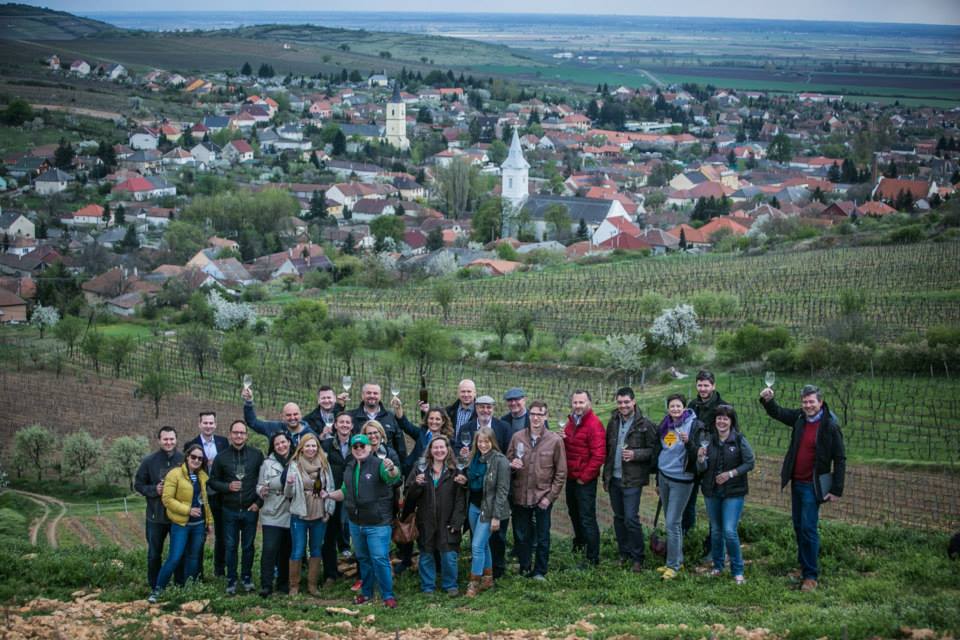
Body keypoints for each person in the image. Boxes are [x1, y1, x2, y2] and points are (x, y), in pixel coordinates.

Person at [760, 384, 845, 592]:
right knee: (799, 526)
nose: (808, 405)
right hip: (797, 482)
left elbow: (840, 458)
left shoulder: (830, 425)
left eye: (811, 402)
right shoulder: (800, 418)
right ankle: (804, 565)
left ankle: (810, 576)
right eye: (805, 402)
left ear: (820, 403)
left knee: (808, 528)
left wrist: (836, 488)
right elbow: (778, 413)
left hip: (812, 485)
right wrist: (768, 401)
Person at [325, 433, 403, 608]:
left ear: (369, 448)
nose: (359, 449)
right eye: (356, 447)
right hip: (356, 523)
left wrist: (392, 468)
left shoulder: (379, 464)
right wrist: (328, 495)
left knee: (379, 558)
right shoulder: (350, 468)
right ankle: (366, 593)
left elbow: (393, 477)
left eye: (363, 446)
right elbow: (344, 492)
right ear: (352, 450)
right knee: (364, 559)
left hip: (378, 523)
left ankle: (388, 596)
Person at [507, 400, 567, 580]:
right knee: (522, 534)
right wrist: (511, 465)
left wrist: (550, 497)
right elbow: (506, 463)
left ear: (545, 417)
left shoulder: (555, 441)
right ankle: (524, 567)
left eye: (540, 415)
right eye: (532, 414)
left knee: (542, 536)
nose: (535, 418)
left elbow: (561, 472)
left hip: (542, 496)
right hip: (520, 495)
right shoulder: (517, 437)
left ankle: (540, 570)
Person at [602, 387, 658, 572]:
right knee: (619, 518)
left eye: (626, 402)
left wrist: (635, 454)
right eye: (620, 402)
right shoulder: (613, 422)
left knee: (631, 519)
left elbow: (654, 451)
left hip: (632, 479)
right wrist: (606, 476)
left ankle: (638, 557)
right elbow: (608, 450)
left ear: (633, 402)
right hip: (615, 478)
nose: (623, 405)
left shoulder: (645, 425)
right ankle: (623, 553)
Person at [148, 443, 213, 603]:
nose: (196, 460)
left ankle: (187, 590)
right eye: (193, 457)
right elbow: (167, 499)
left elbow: (205, 501)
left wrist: (209, 521)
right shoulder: (175, 474)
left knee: (193, 558)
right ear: (187, 457)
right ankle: (158, 590)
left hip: (198, 525)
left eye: (200, 458)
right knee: (175, 557)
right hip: (180, 524)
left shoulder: (203, 476)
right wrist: (187, 510)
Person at [403, 434, 467, 596]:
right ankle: (428, 586)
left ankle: (450, 584)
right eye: (435, 447)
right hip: (426, 519)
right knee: (426, 553)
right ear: (430, 450)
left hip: (448, 520)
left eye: (442, 447)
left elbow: (461, 499)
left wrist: (457, 521)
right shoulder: (420, 467)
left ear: (448, 450)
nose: (439, 450)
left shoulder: (455, 470)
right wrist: (416, 485)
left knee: (449, 554)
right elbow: (409, 496)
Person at [697, 404, 755, 584]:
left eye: (725, 418)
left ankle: (738, 571)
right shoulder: (709, 440)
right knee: (716, 530)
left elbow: (750, 462)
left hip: (733, 492)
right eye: (719, 418)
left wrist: (730, 474)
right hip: (712, 491)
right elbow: (702, 469)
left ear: (731, 421)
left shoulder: (738, 440)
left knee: (729, 531)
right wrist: (700, 459)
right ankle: (718, 566)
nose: (721, 421)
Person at [208, 420, 265, 595]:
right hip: (229, 510)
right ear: (230, 434)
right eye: (235, 432)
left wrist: (258, 503)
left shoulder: (257, 455)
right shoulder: (222, 457)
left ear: (246, 435)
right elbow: (212, 482)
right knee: (230, 546)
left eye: (242, 433)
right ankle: (231, 579)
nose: (239, 435)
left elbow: (263, 482)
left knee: (248, 546)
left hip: (250, 509)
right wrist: (227, 487)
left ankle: (247, 578)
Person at [655, 393, 704, 580]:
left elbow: (700, 453)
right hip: (664, 476)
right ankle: (677, 560)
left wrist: (688, 442)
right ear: (668, 408)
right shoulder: (666, 424)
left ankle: (673, 566)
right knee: (670, 520)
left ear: (684, 407)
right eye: (672, 406)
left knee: (673, 523)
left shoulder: (694, 425)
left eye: (678, 406)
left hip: (682, 480)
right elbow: (662, 449)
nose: (675, 409)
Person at [284, 432, 336, 596]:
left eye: (314, 445)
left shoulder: (324, 463)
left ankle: (312, 585)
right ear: (301, 448)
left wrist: (329, 509)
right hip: (300, 513)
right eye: (308, 445)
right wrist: (290, 484)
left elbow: (331, 487)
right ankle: (294, 586)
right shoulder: (294, 464)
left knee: (315, 549)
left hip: (319, 513)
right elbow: (288, 493)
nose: (311, 449)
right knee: (298, 550)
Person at [134, 426, 184, 591]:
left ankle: (179, 585)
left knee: (178, 554)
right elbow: (139, 485)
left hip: (177, 516)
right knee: (155, 554)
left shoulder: (183, 460)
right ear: (159, 441)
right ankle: (155, 585)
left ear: (176, 440)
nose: (169, 442)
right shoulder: (149, 461)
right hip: (156, 517)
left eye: (171, 439)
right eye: (165, 439)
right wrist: (154, 490)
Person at [561, 390, 606, 567]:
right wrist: (562, 439)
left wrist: (584, 478)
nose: (578, 406)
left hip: (584, 480)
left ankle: (592, 557)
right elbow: (572, 447)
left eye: (581, 402)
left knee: (587, 517)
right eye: (575, 402)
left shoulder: (594, 424)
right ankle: (580, 543)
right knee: (574, 512)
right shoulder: (571, 422)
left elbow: (598, 455)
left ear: (589, 403)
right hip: (571, 477)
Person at [464, 426, 510, 596]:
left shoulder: (500, 461)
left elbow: (502, 491)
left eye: (486, 441)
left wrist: (496, 517)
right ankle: (488, 578)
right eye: (480, 441)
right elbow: (472, 482)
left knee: (476, 546)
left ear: (493, 442)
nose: (483, 445)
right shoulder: (475, 458)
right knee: (482, 545)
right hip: (474, 508)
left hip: (489, 511)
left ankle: (474, 582)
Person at [684, 370, 727, 542]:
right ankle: (689, 540)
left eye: (706, 385)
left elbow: (730, 434)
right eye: (700, 385)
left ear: (713, 386)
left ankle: (713, 545)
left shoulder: (723, 407)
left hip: (714, 463)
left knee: (713, 505)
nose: (702, 389)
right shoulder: (692, 405)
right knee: (688, 504)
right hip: (693, 461)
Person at [185, 412, 228, 578]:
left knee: (222, 535)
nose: (208, 426)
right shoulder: (191, 444)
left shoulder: (223, 442)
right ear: (199, 424)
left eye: (211, 423)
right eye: (205, 423)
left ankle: (220, 571)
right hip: (200, 497)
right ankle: (198, 573)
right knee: (200, 535)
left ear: (215, 424)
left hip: (220, 495)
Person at [320, 412, 356, 585]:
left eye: (347, 422)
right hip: (332, 495)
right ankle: (330, 574)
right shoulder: (326, 444)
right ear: (335, 425)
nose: (344, 425)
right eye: (341, 422)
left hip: (353, 496)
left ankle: (359, 572)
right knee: (329, 536)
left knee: (355, 533)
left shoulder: (357, 445)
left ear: (352, 426)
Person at [256, 432, 293, 597]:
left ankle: (283, 583)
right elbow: (259, 484)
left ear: (289, 443)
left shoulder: (297, 460)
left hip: (291, 511)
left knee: (286, 549)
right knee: (270, 549)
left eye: (283, 442)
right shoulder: (267, 463)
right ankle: (266, 584)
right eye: (277, 444)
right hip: (272, 512)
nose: (281, 446)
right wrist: (261, 489)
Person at [347, 383, 417, 463]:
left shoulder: (391, 417)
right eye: (368, 393)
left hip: (386, 467)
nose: (372, 395)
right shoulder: (351, 416)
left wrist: (402, 470)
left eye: (375, 393)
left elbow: (400, 447)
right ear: (362, 395)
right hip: (359, 466)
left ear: (380, 396)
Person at [242, 388, 317, 449]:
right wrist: (248, 402)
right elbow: (253, 422)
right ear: (283, 417)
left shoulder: (310, 434)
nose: (292, 418)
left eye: (295, 414)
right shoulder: (274, 428)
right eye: (288, 415)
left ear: (301, 415)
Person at [405, 405, 454, 473]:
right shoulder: (421, 433)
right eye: (431, 418)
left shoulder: (449, 440)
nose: (434, 421)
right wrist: (398, 408)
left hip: (436, 476)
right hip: (414, 474)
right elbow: (405, 425)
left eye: (437, 419)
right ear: (427, 420)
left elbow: (451, 461)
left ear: (443, 422)